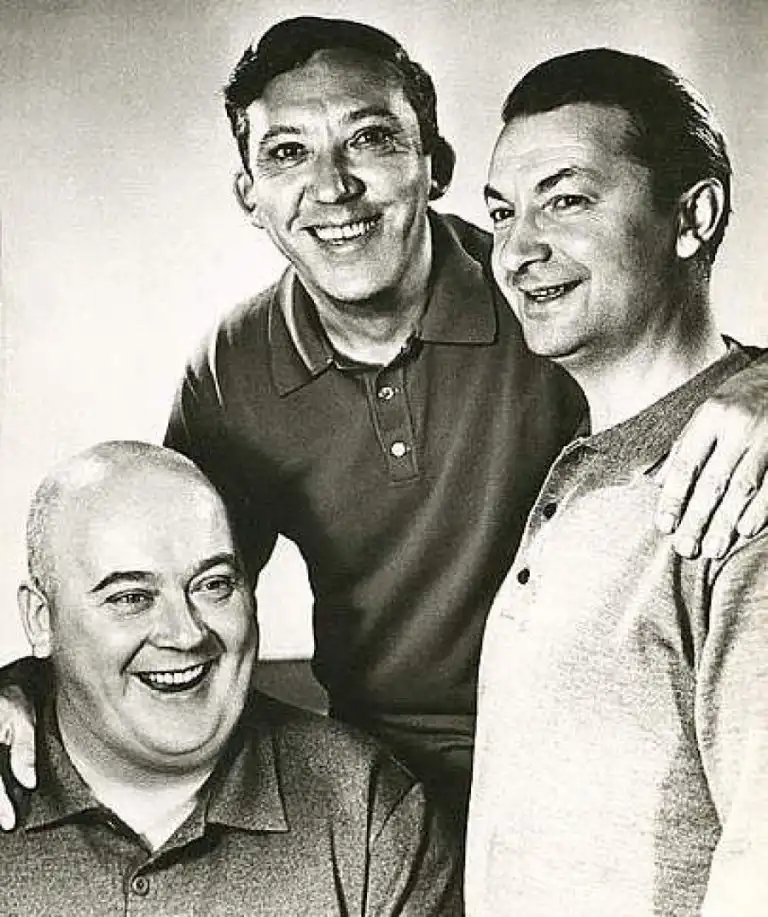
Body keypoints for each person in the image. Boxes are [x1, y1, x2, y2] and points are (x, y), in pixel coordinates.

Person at [3, 17, 768, 835]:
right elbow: (172, 594)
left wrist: (763, 383)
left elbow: (677, 357)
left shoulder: (538, 291)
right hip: (375, 785)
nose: (332, 188)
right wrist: (31, 684)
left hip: (583, 757)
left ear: (434, 165)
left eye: (369, 139)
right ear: (249, 195)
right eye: (287, 153)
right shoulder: (233, 366)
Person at [465, 49, 768, 916]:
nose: (518, 250)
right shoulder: (585, 463)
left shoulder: (741, 485)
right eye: (502, 212)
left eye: (567, 199)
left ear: (693, 216)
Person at [1, 441, 461, 916]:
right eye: (131, 597)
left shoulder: (366, 809)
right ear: (40, 619)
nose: (186, 633)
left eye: (214, 585)